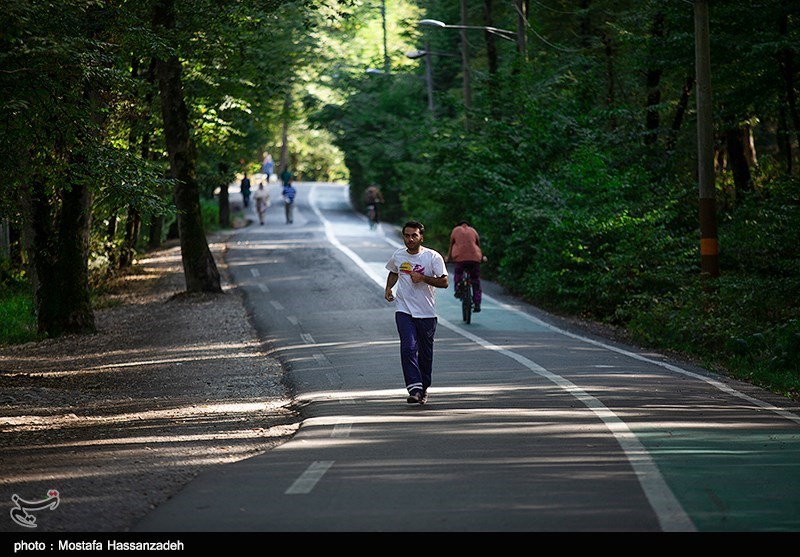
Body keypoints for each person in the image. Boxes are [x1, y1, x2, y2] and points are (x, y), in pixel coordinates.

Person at [384, 221, 448, 405]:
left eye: (414, 235)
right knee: (408, 347)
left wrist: (423, 278)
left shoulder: (432, 257)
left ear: (421, 237)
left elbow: (444, 282)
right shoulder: (398, 255)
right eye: (407, 235)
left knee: (426, 355)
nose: (410, 239)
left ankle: (424, 387)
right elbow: (394, 271)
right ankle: (414, 388)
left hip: (427, 313)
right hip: (404, 311)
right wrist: (389, 287)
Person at [446, 220, 486, 313]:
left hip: (460, 258)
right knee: (475, 280)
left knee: (458, 273)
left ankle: (458, 288)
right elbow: (477, 246)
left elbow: (451, 246)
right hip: (475, 258)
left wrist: (449, 258)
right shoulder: (473, 230)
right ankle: (477, 302)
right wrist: (482, 257)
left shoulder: (455, 230)